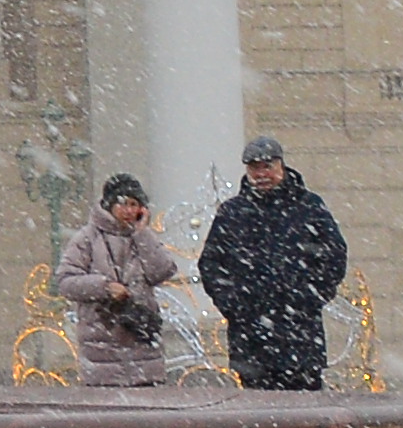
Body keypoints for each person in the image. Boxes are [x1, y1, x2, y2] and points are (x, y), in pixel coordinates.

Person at [198, 135, 351, 392]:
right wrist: (235, 305)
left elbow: (334, 256)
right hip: (251, 339)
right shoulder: (232, 212)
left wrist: (308, 298)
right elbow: (212, 264)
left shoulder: (309, 207)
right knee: (257, 418)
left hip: (300, 338)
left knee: (304, 416)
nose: (261, 174)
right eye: (254, 168)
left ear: (281, 165)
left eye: (267, 166)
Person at [55, 173, 181, 389]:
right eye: (123, 203)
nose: (129, 211)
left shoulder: (142, 238)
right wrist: (103, 287)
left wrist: (143, 234)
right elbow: (66, 282)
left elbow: (163, 271)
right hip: (102, 347)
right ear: (109, 204)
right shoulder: (87, 238)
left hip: (141, 344)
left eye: (135, 204)